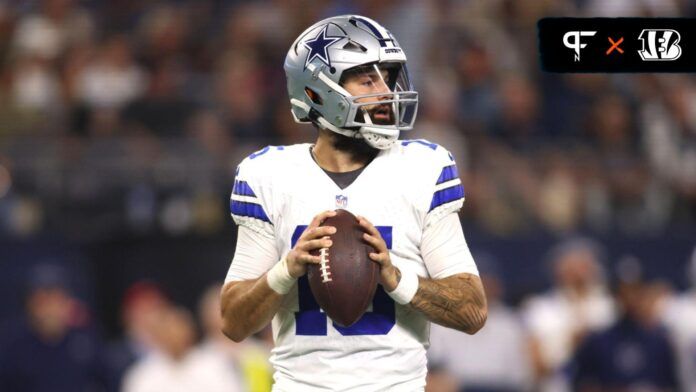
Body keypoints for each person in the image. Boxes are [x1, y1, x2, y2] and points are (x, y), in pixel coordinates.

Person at [220, 15, 487, 391]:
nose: (386, 92)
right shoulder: (268, 175)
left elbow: (472, 310)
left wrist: (397, 279)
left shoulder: (423, 167)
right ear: (316, 91)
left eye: (388, 77)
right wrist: (287, 269)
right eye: (367, 79)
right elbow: (233, 322)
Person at [428, 254, 533, 392]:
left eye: (486, 282)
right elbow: (433, 367)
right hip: (457, 387)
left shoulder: (512, 322)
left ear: (497, 286)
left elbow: (525, 374)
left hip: (504, 387)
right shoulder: (440, 320)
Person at [572, 257, 678, 391]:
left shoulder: (659, 342)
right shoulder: (597, 341)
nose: (630, 298)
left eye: (635, 291)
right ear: (615, 295)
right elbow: (582, 383)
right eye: (624, 292)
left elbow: (670, 384)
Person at [522, 238, 615, 391]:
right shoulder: (539, 308)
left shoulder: (610, 306)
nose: (577, 273)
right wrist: (572, 344)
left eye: (583, 265)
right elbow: (537, 367)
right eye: (570, 266)